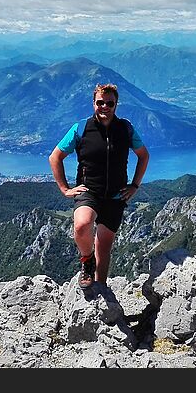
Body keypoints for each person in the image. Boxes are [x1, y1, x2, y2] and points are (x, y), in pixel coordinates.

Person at [48, 83, 149, 289]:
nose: (104, 107)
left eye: (109, 103)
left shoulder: (126, 129)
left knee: (103, 248)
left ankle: (100, 291)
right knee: (81, 225)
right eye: (100, 103)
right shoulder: (81, 129)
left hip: (116, 195)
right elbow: (55, 157)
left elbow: (143, 155)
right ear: (93, 103)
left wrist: (135, 185)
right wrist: (65, 189)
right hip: (89, 191)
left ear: (116, 105)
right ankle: (86, 261)